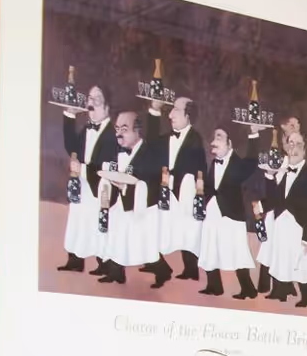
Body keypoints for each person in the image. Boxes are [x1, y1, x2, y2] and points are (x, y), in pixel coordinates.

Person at [98, 111, 173, 288]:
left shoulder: (149, 153)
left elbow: (150, 181)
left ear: (137, 131)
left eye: (124, 129)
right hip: (122, 202)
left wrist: (126, 186)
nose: (119, 133)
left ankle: (163, 271)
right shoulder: (118, 150)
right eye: (117, 128)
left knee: (143, 244)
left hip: (143, 208)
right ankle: (116, 273)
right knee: (117, 237)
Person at [258, 128, 307, 307]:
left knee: (299, 262)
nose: (293, 148)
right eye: (290, 144)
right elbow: (275, 198)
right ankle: (279, 291)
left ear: (304, 149)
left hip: (297, 226)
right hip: (281, 223)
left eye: (298, 145)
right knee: (280, 258)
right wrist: (268, 178)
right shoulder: (285, 172)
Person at [58, 85, 116, 274]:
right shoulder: (86, 129)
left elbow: (108, 166)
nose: (91, 103)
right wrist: (69, 116)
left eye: (97, 99)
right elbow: (72, 147)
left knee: (98, 223)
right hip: (82, 185)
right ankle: (75, 260)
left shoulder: (112, 134)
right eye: (89, 98)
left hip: (99, 187)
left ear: (107, 107)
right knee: (77, 220)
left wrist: (82, 168)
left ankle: (104, 264)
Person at [196, 125, 257, 300]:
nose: (214, 142)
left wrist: (254, 135)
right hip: (212, 212)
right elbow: (210, 186)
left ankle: (248, 289)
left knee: (237, 251)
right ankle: (214, 286)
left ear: (230, 143)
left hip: (231, 214)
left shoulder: (238, 163)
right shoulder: (214, 163)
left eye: (219, 137)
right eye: (214, 137)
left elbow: (252, 162)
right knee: (210, 248)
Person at [156, 97, 207, 282]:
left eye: (176, 110)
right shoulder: (164, 138)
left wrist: (198, 198)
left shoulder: (195, 140)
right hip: (165, 190)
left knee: (188, 229)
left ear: (188, 115)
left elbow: (201, 172)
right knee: (158, 227)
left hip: (185, 193)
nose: (170, 115)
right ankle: (155, 263)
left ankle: (191, 269)